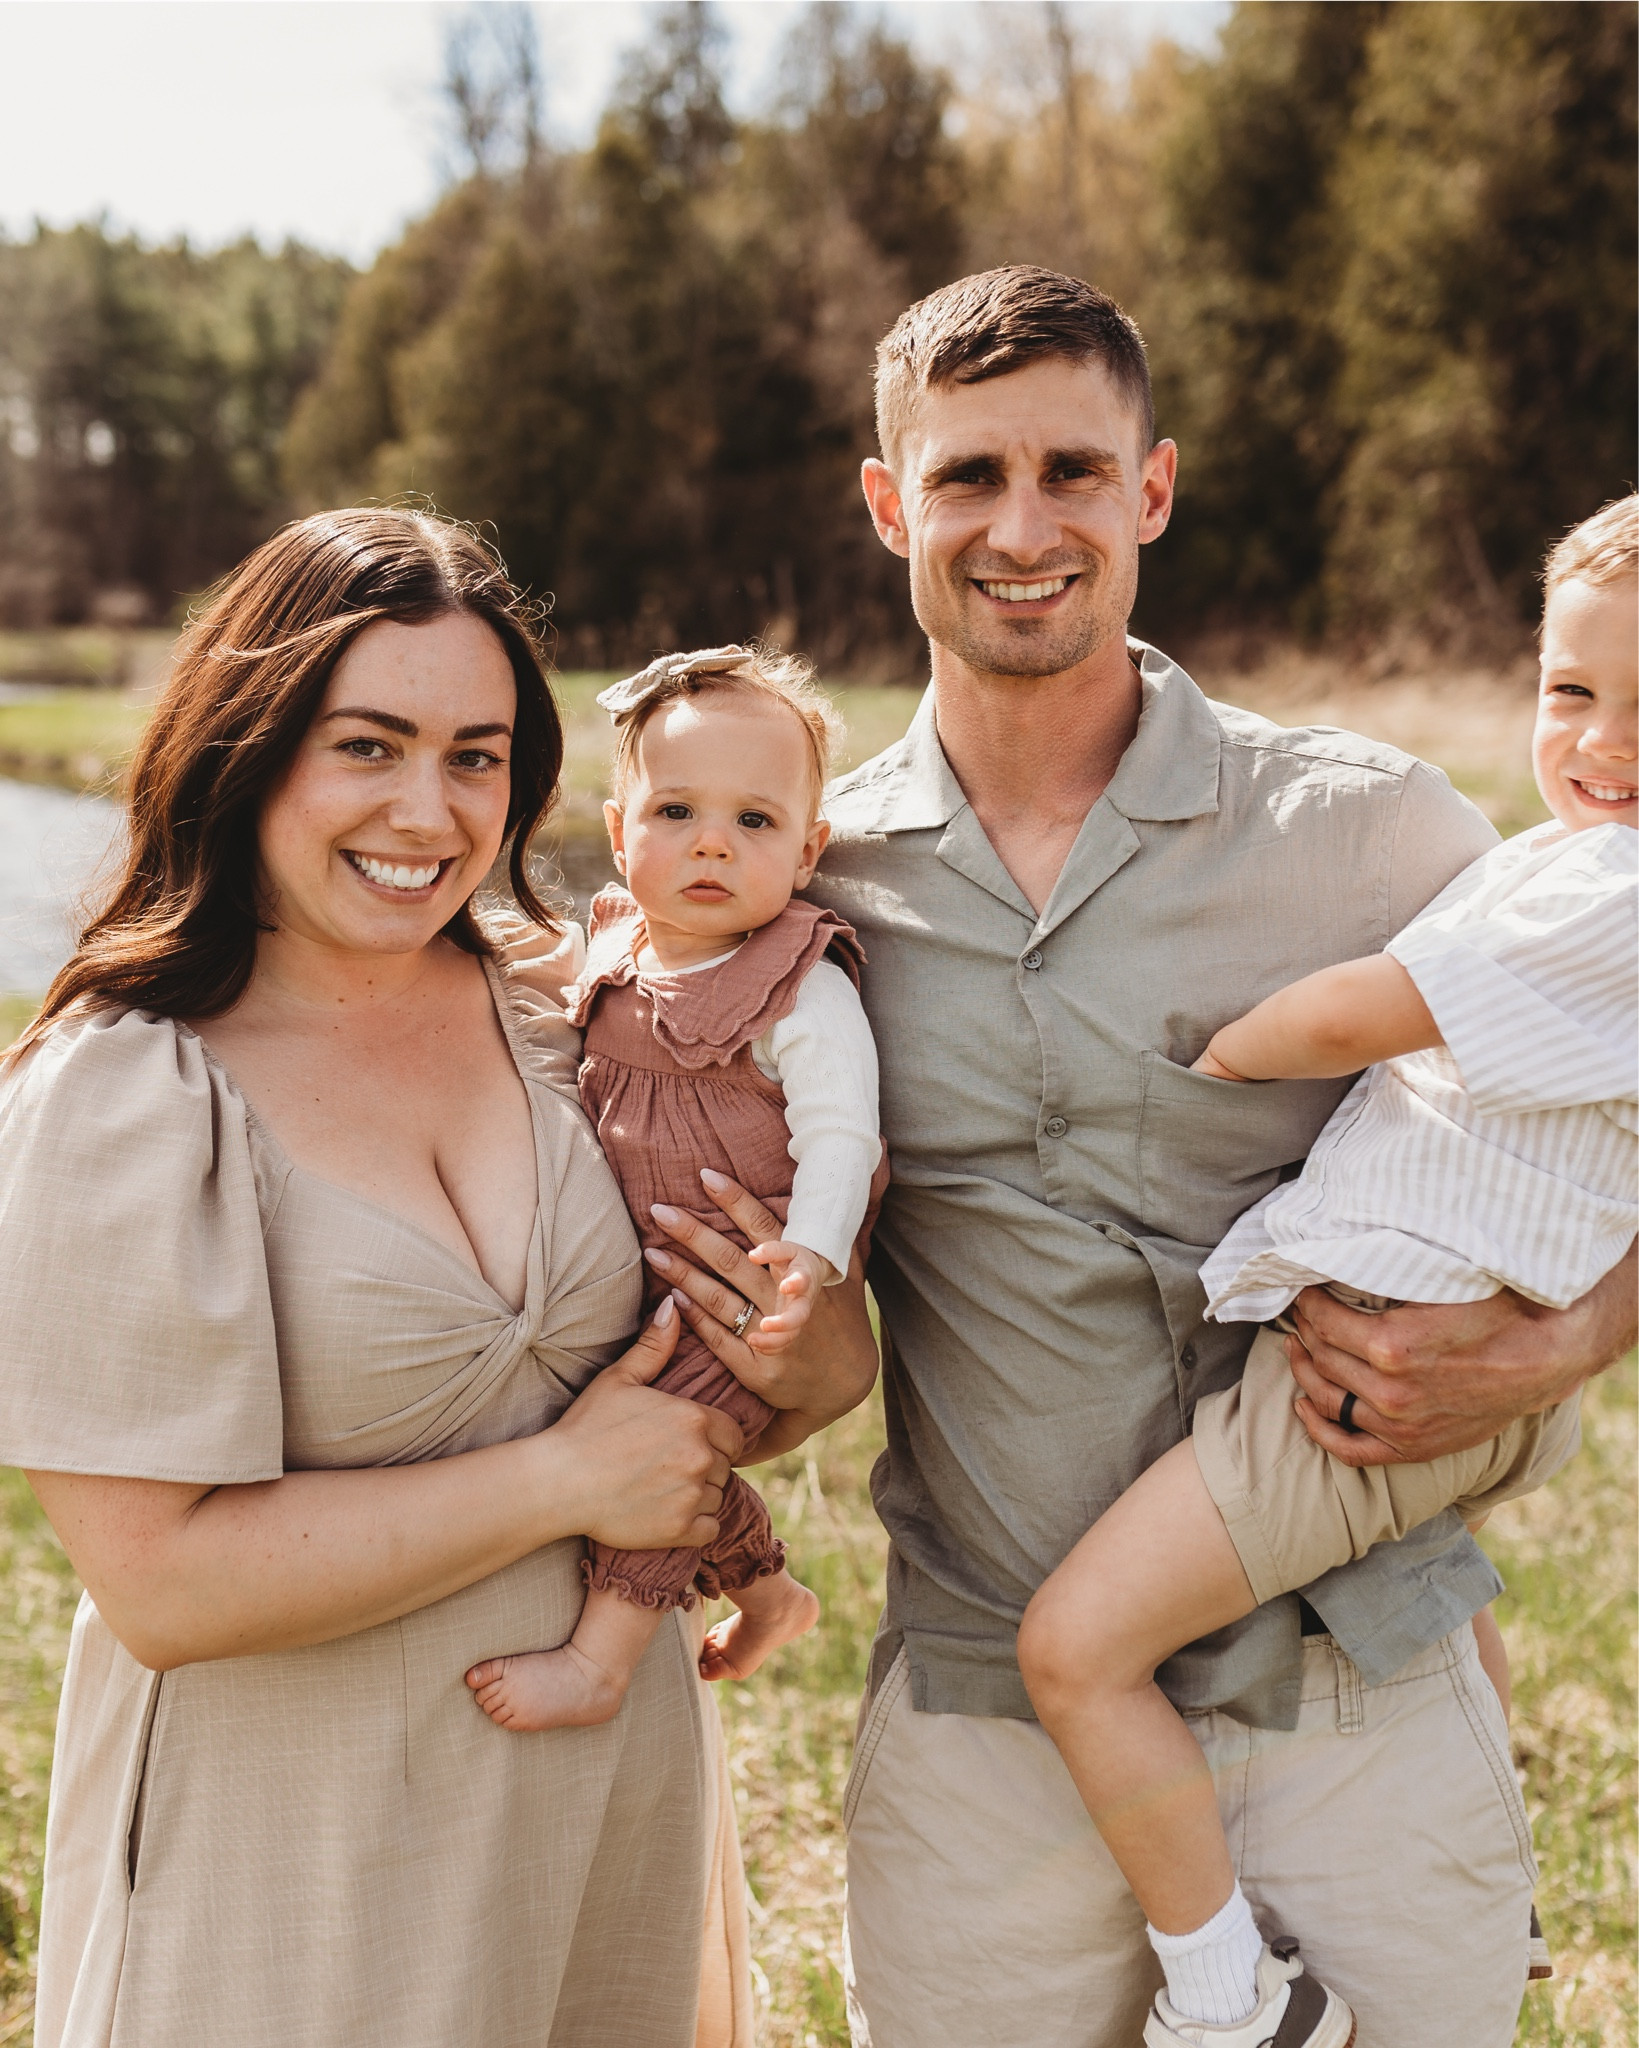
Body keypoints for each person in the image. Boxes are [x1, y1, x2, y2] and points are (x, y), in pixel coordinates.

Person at [800, 267, 1638, 2048]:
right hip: (982, 1744)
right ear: (887, 503)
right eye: (963, 476)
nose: (1019, 526)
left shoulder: (1376, 828)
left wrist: (1579, 1332)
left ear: (1150, 489)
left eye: (1071, 472)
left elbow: (1602, 1064)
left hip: (1355, 1705)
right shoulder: (805, 879)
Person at [0, 509, 878, 2048]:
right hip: (304, 1855)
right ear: (249, 746)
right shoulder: (126, 1093)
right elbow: (160, 1585)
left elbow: (693, 1389)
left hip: (609, 1810)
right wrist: (559, 1483)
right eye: (368, 744)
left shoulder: (563, 1011)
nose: (428, 807)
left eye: (476, 756)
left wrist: (822, 1362)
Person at [1016, 493, 1637, 2047]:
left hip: (1381, 1362)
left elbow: (1355, 1015)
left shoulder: (1608, 885)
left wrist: (1213, 1050)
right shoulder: (1564, 860)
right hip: (1445, 1334)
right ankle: (1509, 1891)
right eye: (1571, 691)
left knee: (1077, 1651)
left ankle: (1232, 1995)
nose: (1601, 743)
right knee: (1433, 1592)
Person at [466, 646, 882, 1732]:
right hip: (643, 1268)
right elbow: (549, 981)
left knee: (664, 1437)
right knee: (645, 1439)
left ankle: (602, 1659)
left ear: (808, 848)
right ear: (618, 831)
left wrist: (813, 1250)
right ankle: (768, 1591)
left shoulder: (802, 983)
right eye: (677, 809)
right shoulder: (616, 943)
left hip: (734, 1278)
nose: (710, 840)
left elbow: (843, 1130)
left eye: (754, 821)